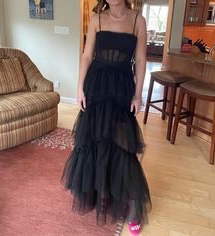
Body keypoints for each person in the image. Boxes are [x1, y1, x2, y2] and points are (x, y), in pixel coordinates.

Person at [61, 0, 152, 235]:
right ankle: (101, 192)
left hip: (122, 89)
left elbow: (141, 60)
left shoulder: (137, 21)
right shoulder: (96, 19)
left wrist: (138, 95)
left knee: (123, 146)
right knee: (95, 141)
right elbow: (87, 55)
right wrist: (79, 89)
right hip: (96, 86)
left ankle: (132, 208)